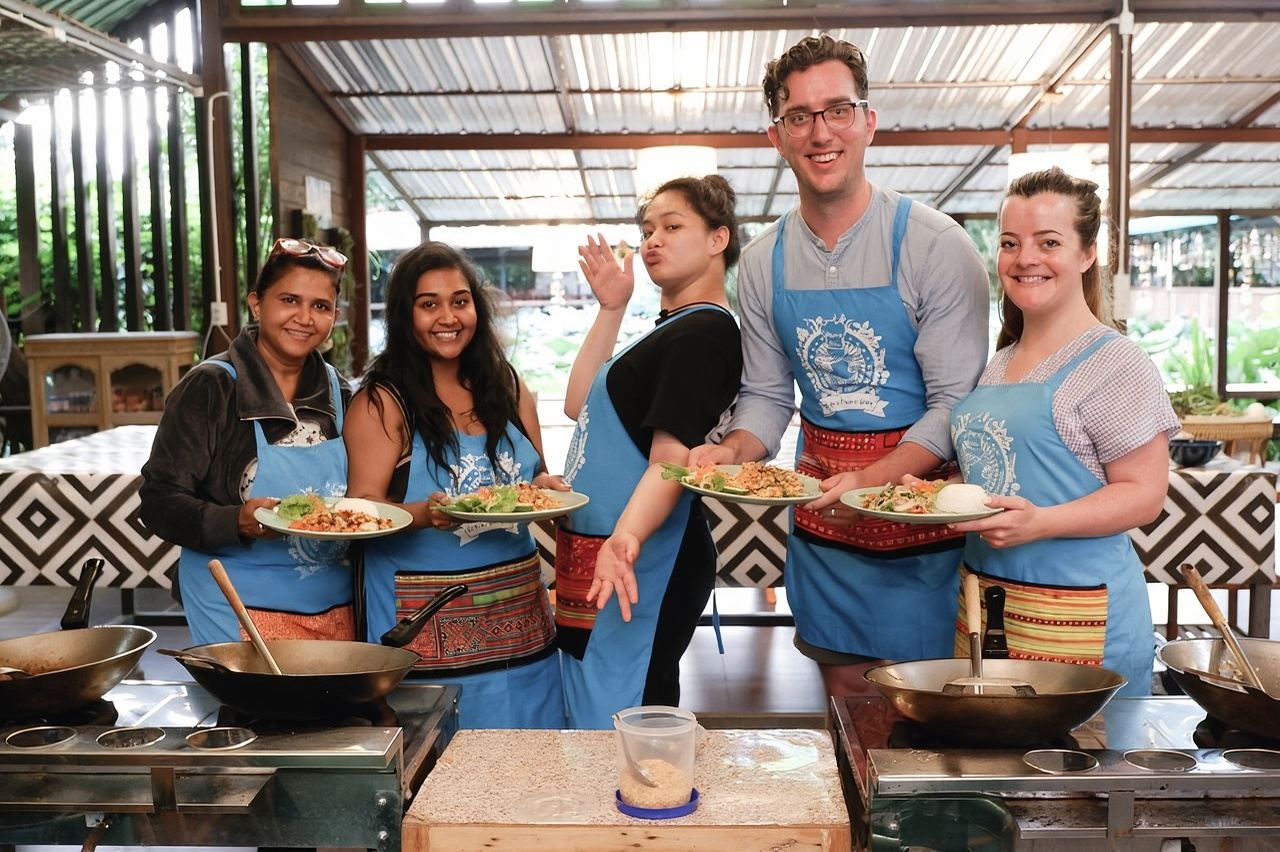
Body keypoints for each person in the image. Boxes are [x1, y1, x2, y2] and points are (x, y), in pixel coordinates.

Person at [689, 34, 990, 698]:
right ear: (777, 136)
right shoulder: (764, 262)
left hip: (925, 532)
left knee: (932, 728)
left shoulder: (936, 246)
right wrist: (732, 450)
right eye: (800, 116)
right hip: (825, 533)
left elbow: (955, 406)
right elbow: (768, 395)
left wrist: (872, 482)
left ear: (868, 122)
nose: (820, 131)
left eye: (838, 110)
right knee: (848, 718)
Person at [948, 167, 1178, 696]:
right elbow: (1001, 470)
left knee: (1080, 775)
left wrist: (1042, 522)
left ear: (1086, 254)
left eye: (1048, 242)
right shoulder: (998, 363)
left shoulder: (1117, 363)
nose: (1025, 258)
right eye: (1010, 242)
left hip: (1078, 618)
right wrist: (941, 495)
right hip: (987, 613)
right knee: (991, 770)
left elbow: (1144, 495)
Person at [343, 241, 564, 729]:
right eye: (429, 304)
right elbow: (361, 512)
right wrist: (425, 514)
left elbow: (531, 477)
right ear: (405, 315)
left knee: (530, 764)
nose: (448, 316)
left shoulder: (507, 385)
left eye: (459, 301)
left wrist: (548, 486)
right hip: (427, 624)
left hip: (520, 624)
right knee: (439, 774)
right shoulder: (383, 402)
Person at [556, 175, 743, 729]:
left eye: (672, 226)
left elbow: (671, 457)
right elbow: (577, 403)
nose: (653, 240)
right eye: (647, 230)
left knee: (630, 708)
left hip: (639, 554)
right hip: (601, 547)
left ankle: (646, 814)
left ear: (718, 240)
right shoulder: (668, 330)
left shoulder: (704, 333)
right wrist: (612, 307)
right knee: (597, 700)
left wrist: (627, 538)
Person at [141, 238, 354, 645]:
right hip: (234, 599)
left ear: (334, 316)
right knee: (255, 708)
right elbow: (158, 501)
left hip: (333, 604)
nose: (304, 318)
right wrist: (236, 520)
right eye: (289, 300)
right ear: (257, 304)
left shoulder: (337, 390)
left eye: (320, 306)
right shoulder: (212, 386)